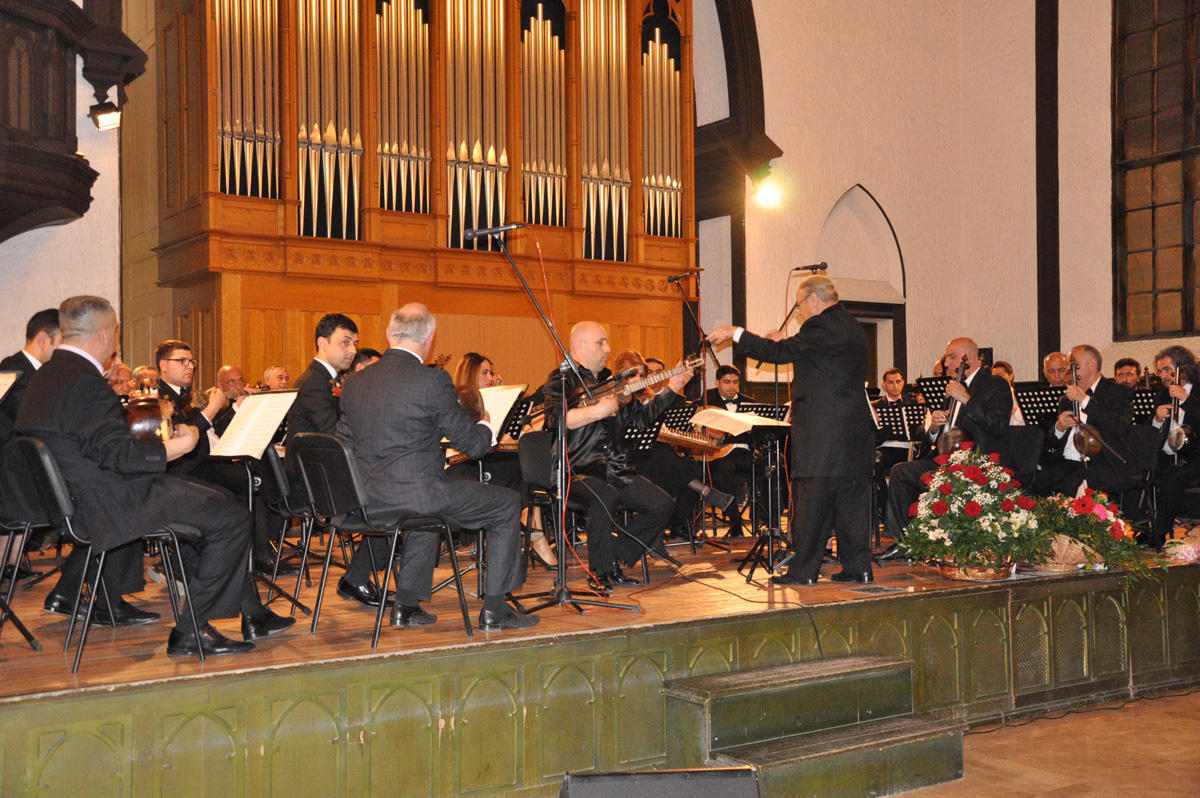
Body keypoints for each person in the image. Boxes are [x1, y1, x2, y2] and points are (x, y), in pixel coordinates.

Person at [16, 296, 291, 655]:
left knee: (222, 500)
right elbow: (122, 457)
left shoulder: (45, 377)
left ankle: (253, 614)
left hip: (77, 500)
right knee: (233, 519)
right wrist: (180, 444)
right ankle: (191, 630)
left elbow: (94, 446)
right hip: (109, 502)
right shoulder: (85, 382)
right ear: (104, 335)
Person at [337, 303, 537, 630]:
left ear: (389, 334)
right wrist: (487, 424)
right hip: (416, 496)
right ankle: (495, 609)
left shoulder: (356, 382)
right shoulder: (432, 380)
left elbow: (342, 442)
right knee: (506, 503)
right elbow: (473, 446)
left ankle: (406, 606)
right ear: (430, 337)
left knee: (424, 514)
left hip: (364, 501)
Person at [709, 275, 875, 585]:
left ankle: (804, 572)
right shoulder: (852, 326)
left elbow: (777, 355)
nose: (799, 312)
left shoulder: (820, 325)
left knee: (813, 502)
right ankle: (859, 568)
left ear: (813, 299)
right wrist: (783, 342)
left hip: (822, 434)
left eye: (799, 306)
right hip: (852, 433)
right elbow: (811, 356)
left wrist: (737, 333)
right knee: (851, 504)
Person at [544, 321, 687, 589]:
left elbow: (641, 418)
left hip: (615, 470)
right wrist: (596, 411)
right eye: (601, 343)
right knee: (605, 495)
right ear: (579, 347)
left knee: (662, 504)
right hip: (576, 470)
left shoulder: (613, 381)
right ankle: (599, 571)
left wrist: (673, 387)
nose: (608, 349)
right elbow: (557, 419)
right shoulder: (562, 380)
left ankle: (614, 557)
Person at [881, 337, 1013, 548]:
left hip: (976, 462)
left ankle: (929, 541)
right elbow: (943, 436)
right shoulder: (954, 387)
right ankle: (903, 542)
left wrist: (967, 400)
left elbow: (998, 426)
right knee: (900, 471)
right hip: (947, 460)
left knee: (914, 475)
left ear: (969, 358)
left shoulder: (995, 384)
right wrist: (934, 428)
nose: (946, 363)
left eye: (951, 357)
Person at [1032, 345, 1135, 499]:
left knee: (1074, 482)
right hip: (1066, 461)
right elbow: (1051, 442)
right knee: (1033, 479)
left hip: (1100, 462)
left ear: (1091, 364)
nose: (1068, 370)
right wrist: (1059, 427)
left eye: (1074, 365)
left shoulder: (1118, 392)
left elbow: (1120, 427)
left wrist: (1085, 400)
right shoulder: (1066, 399)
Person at [1148, 346, 1200, 550]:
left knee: (1173, 478)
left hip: (1196, 457)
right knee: (1139, 472)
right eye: (1160, 370)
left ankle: (1158, 535)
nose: (1163, 375)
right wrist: (1157, 419)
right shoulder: (1163, 395)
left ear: (1183, 368)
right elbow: (1148, 431)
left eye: (1167, 370)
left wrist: (1186, 400)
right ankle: (1140, 528)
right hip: (1170, 454)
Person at [702, 364, 754, 536]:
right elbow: (697, 424)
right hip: (720, 454)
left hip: (744, 452)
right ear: (717, 382)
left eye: (735, 382)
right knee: (724, 468)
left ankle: (768, 522)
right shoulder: (707, 399)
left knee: (772, 465)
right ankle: (735, 523)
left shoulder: (750, 402)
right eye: (727, 382)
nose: (732, 386)